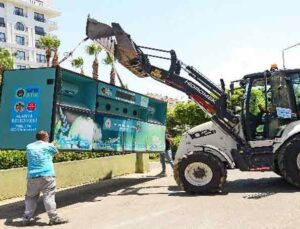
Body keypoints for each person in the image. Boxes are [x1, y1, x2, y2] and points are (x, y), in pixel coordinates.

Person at [22, 130, 68, 226]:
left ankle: (26, 218)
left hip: (32, 176)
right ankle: (54, 218)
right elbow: (57, 155)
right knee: (49, 197)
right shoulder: (49, 146)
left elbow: (39, 152)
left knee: (31, 197)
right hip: (47, 175)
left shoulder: (29, 146)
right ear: (45, 137)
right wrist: (53, 145)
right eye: (47, 137)